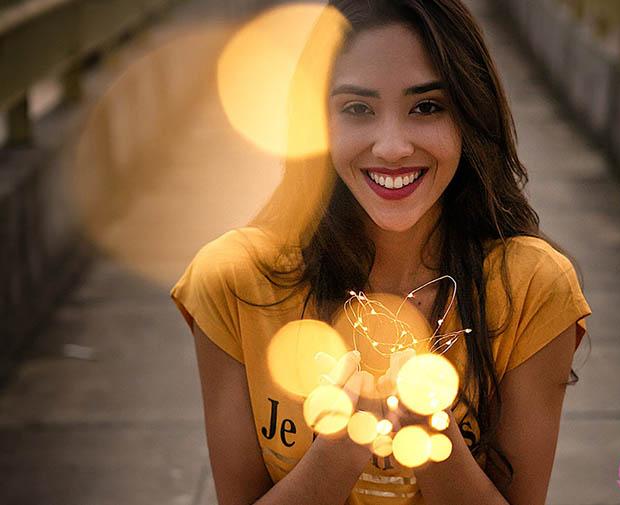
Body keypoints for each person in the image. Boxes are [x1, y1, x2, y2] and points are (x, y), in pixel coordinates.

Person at [170, 1, 593, 504]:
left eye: (427, 107)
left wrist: (430, 439)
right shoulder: (233, 280)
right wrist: (338, 452)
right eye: (356, 109)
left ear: (469, 116)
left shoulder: (532, 287)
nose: (392, 146)